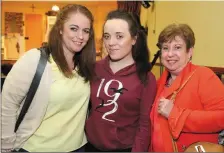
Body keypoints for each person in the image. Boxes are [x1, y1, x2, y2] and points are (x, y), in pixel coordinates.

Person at [1, 4, 96, 152]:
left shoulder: (85, 67)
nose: (80, 36)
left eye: (86, 31)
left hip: (78, 148)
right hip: (36, 148)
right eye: (73, 28)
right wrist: (5, 145)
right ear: (59, 29)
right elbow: (7, 104)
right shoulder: (35, 60)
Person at [85, 10, 157, 152]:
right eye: (107, 36)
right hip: (90, 147)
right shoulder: (94, 69)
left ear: (134, 39)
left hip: (124, 149)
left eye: (119, 36)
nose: (111, 43)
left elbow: (144, 125)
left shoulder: (146, 78)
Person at [150, 23, 224, 152]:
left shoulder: (204, 76)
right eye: (165, 48)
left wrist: (176, 114)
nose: (170, 54)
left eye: (177, 47)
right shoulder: (158, 83)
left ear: (189, 52)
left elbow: (221, 117)